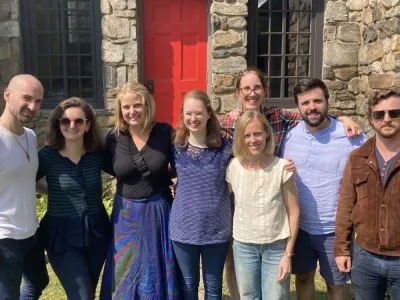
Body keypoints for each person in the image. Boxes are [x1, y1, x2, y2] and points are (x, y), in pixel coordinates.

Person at [218, 67, 362, 300]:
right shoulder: (226, 122)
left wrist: (343, 118)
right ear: (238, 92)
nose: (251, 93)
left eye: (256, 87)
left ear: (264, 90)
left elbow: (313, 116)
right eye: (246, 88)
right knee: (236, 261)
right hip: (241, 200)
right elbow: (203, 134)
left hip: (276, 201)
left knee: (310, 279)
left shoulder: (280, 116)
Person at [280, 78, 366, 300]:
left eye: (317, 101)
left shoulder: (351, 137)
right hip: (300, 227)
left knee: (336, 284)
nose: (312, 107)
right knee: (304, 278)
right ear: (297, 107)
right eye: (305, 103)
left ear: (327, 101)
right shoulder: (289, 136)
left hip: (335, 230)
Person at [100, 82, 180, 299]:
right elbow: (111, 167)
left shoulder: (165, 132)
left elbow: (182, 165)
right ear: (120, 110)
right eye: (126, 107)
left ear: (147, 106)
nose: (131, 111)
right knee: (125, 269)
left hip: (158, 211)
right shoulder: (114, 138)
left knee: (155, 269)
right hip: (125, 214)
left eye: (137, 105)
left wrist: (173, 183)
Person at [36, 97, 110, 299]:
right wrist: (54, 192)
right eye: (65, 121)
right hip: (61, 234)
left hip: (97, 232)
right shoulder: (47, 156)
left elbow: (127, 172)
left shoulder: (98, 155)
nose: (72, 126)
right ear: (58, 125)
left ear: (87, 125)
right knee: (82, 296)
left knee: (89, 292)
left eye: (79, 121)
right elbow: (27, 181)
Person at [335, 88, 400, 300]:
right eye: (379, 114)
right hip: (365, 258)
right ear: (371, 120)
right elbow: (345, 206)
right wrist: (342, 250)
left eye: (394, 113)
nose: (387, 119)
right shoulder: (357, 158)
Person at [226, 111, 299, 300]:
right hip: (244, 245)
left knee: (276, 296)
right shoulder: (234, 167)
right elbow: (217, 196)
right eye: (247, 135)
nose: (253, 140)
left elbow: (293, 211)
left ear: (267, 133)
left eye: (257, 133)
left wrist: (288, 254)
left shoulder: (282, 167)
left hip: (276, 246)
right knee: (248, 296)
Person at [170, 90, 233, 299]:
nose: (193, 118)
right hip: (183, 226)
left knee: (213, 285)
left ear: (208, 114)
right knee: (188, 284)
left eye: (198, 113)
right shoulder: (175, 145)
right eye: (188, 113)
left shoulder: (226, 146)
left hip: (217, 226)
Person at [0, 74, 49, 299]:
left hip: (31, 231)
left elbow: (27, 180)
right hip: (5, 238)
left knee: (39, 281)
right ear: (7, 95)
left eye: (38, 101)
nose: (33, 106)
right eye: (27, 98)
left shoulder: (29, 136)